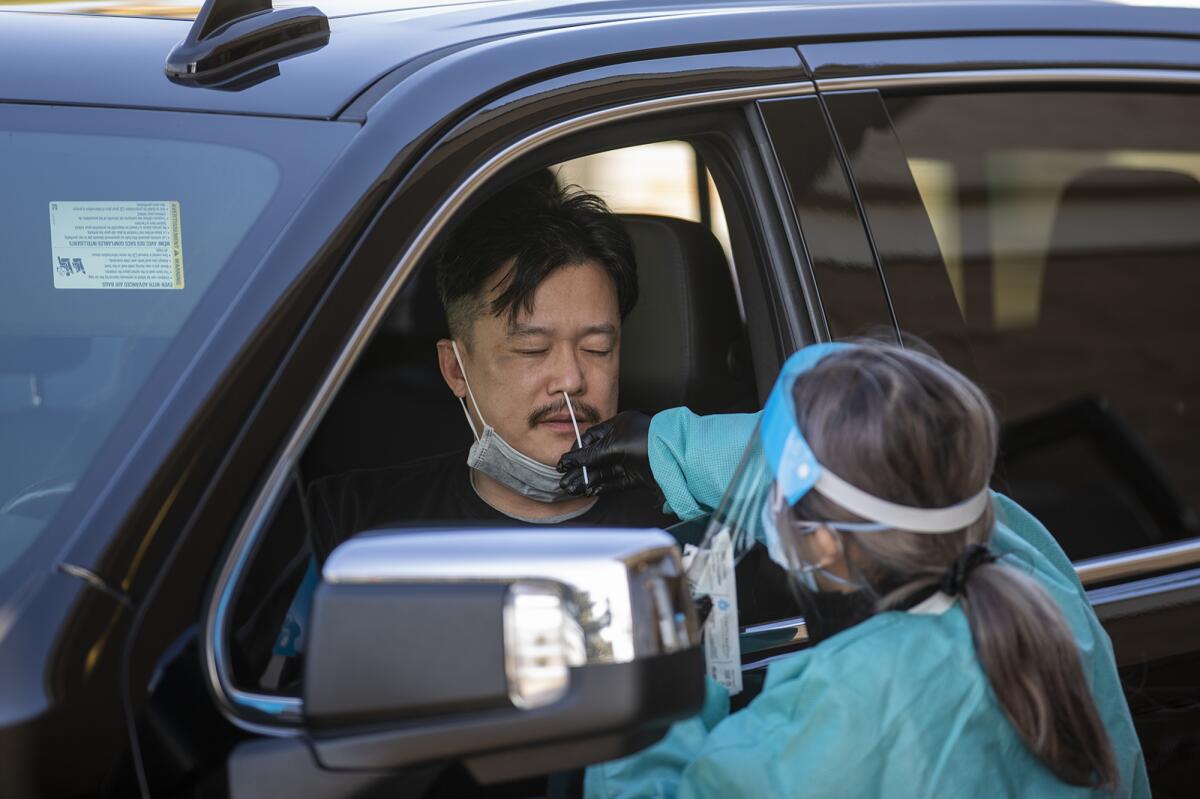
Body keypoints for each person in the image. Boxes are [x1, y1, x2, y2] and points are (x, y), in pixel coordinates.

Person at [563, 341, 1150, 798]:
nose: (762, 505)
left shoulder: (848, 711)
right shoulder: (1028, 574)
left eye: (772, 501)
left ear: (821, 545)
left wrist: (657, 677)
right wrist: (679, 445)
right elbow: (890, 468)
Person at [306, 170, 674, 560]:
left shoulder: (684, 524)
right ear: (454, 370)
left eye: (597, 348)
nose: (570, 379)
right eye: (532, 349)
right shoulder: (355, 522)